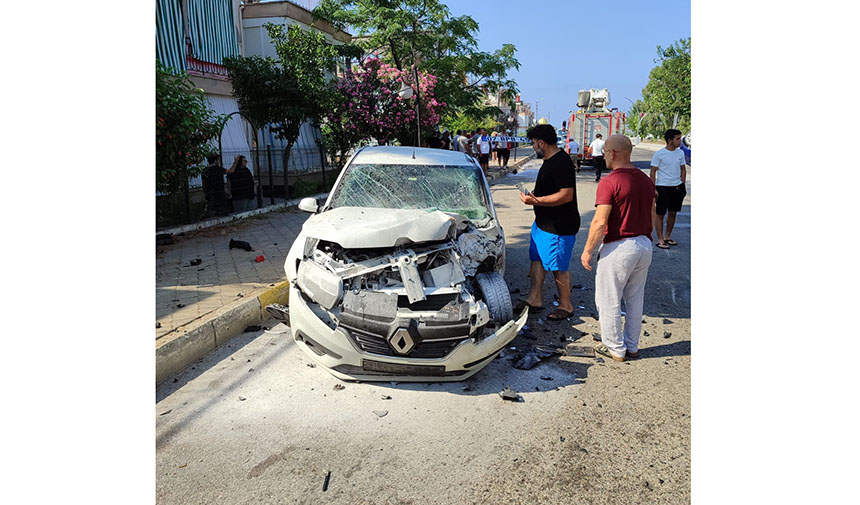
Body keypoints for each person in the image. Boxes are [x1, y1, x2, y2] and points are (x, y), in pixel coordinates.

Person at [580, 135, 656, 362]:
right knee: (635, 298)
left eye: (605, 152)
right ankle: (631, 346)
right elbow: (652, 212)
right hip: (644, 244)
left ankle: (614, 348)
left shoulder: (610, 181)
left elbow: (600, 221)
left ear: (613, 153)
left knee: (609, 298)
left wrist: (588, 250)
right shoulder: (645, 180)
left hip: (619, 246)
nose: (603, 156)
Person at [516, 124, 580, 321]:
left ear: (542, 143)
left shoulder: (561, 162)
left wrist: (536, 201)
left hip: (558, 226)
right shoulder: (549, 160)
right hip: (542, 224)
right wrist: (536, 198)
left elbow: (566, 195)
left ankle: (565, 305)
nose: (534, 147)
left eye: (534, 144)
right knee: (537, 260)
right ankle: (535, 298)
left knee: (558, 267)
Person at [650, 129, 687, 249]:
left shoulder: (680, 153)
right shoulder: (659, 154)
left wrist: (682, 183)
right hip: (662, 187)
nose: (680, 141)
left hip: (677, 187)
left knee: (673, 213)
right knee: (660, 214)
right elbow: (653, 171)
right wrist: (653, 188)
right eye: (677, 139)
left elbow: (683, 169)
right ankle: (660, 239)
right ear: (670, 140)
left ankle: (667, 236)